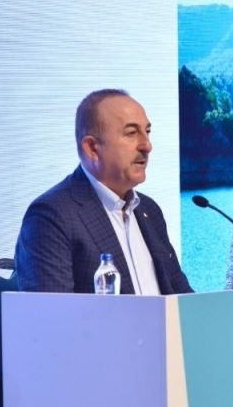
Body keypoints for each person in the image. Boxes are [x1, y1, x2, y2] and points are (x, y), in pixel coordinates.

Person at [15, 89, 193, 294]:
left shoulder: (149, 210)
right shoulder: (51, 217)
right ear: (92, 148)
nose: (147, 145)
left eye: (147, 131)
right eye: (132, 133)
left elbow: (183, 296)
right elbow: (53, 311)